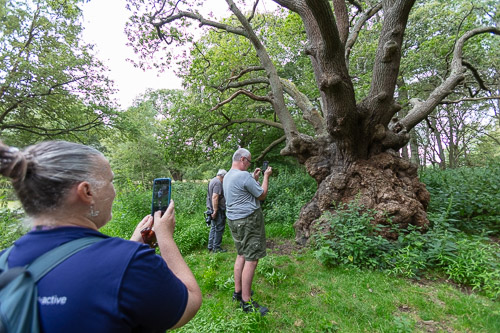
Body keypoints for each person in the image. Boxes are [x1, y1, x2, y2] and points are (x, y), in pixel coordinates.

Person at [0, 140, 202, 332]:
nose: (113, 191)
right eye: (110, 181)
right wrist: (164, 237)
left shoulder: (4, 261)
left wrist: (128, 249)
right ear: (87, 192)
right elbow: (190, 301)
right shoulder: (130, 263)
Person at [223, 148, 272, 316]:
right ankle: (246, 302)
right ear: (243, 159)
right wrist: (265, 177)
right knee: (252, 260)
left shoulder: (228, 175)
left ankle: (238, 292)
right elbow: (262, 195)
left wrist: (254, 178)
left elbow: (243, 191)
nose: (249, 165)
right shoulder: (243, 176)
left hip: (234, 221)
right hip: (248, 222)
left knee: (241, 254)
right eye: (249, 162)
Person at [206, 169, 227, 253]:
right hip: (217, 210)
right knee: (219, 228)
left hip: (211, 208)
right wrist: (215, 211)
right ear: (223, 176)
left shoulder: (213, 180)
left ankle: (210, 246)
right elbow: (215, 197)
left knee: (213, 227)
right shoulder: (218, 183)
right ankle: (216, 248)